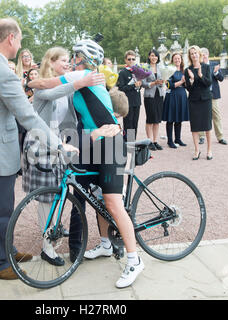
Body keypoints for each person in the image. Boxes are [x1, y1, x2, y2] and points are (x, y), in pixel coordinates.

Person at [0, 18, 79, 281]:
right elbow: (28, 117)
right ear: (10, 38)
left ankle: (7, 250)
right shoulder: (3, 73)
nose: (19, 45)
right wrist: (58, 145)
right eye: (18, 39)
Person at [29, 39, 144, 289]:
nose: (73, 60)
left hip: (111, 143)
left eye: (76, 56)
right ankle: (104, 244)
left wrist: (32, 81)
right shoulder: (84, 78)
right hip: (93, 143)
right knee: (91, 194)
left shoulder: (82, 74)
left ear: (83, 58)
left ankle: (134, 260)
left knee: (112, 202)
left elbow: (44, 83)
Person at [22, 46, 101, 267]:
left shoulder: (61, 85)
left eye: (68, 60)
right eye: (64, 60)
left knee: (58, 193)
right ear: (52, 61)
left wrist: (68, 140)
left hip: (57, 145)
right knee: (47, 198)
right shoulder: (44, 86)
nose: (68, 63)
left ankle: (52, 230)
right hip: (40, 144)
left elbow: (68, 117)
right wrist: (78, 82)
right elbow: (56, 93)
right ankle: (47, 247)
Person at [184, 45, 213, 160]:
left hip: (205, 100)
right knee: (195, 126)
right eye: (192, 53)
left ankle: (209, 150)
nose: (194, 55)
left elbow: (208, 83)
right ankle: (197, 150)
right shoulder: (188, 70)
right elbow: (189, 89)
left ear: (199, 54)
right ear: (190, 56)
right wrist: (191, 80)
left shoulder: (206, 67)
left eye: (195, 53)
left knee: (207, 126)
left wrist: (200, 76)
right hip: (194, 100)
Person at [199, 47, 228, 146]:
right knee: (202, 115)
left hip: (213, 94)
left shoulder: (214, 65)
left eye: (204, 55)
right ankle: (201, 136)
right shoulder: (199, 66)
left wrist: (216, 72)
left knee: (216, 115)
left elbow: (221, 78)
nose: (203, 57)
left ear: (208, 55)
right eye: (201, 55)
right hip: (203, 94)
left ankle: (220, 137)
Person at [162, 52, 189, 148]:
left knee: (179, 119)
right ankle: (170, 140)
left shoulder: (184, 71)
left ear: (181, 60)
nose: (177, 60)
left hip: (182, 95)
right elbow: (169, 85)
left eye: (179, 58)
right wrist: (181, 82)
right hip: (172, 96)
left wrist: (187, 82)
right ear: (172, 60)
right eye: (175, 59)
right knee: (171, 119)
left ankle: (178, 138)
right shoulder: (169, 70)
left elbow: (187, 85)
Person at [141, 49, 165, 151]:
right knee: (150, 119)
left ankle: (155, 141)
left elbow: (164, 82)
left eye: (155, 56)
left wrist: (162, 82)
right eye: (152, 55)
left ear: (158, 57)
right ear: (149, 57)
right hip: (149, 96)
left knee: (157, 120)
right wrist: (153, 83)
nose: (154, 57)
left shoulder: (161, 67)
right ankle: (149, 141)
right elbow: (143, 84)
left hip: (159, 95)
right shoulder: (145, 68)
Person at [118, 50, 142, 142]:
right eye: (129, 59)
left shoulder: (138, 71)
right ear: (125, 60)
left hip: (137, 101)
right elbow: (121, 88)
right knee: (128, 124)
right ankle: (127, 143)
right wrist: (133, 85)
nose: (131, 61)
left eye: (133, 59)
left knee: (135, 123)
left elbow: (140, 85)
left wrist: (140, 84)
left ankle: (133, 142)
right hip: (127, 102)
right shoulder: (123, 72)